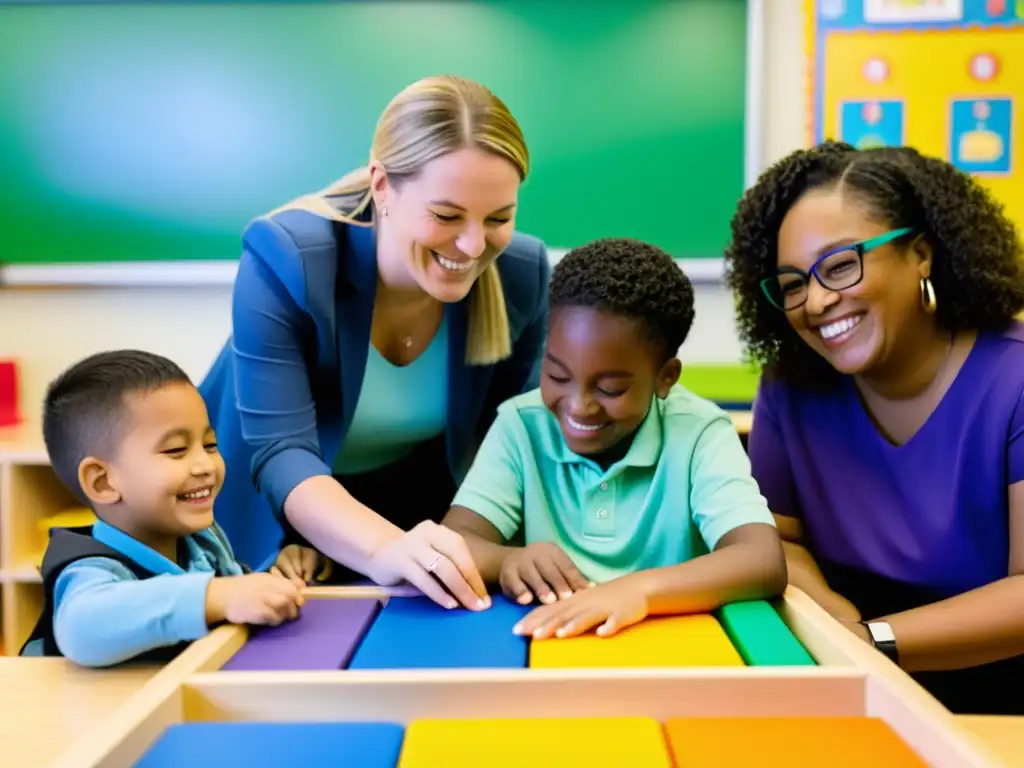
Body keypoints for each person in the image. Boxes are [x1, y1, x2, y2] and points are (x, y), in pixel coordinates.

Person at [199, 75, 549, 612]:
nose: (475, 245)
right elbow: (282, 452)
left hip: (405, 518)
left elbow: (507, 441)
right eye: (446, 215)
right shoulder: (288, 255)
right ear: (382, 186)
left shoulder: (521, 272)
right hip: (266, 520)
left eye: (498, 218)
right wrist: (384, 546)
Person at [723, 140, 1024, 714]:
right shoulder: (791, 386)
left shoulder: (1015, 379)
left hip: (1003, 700)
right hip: (851, 680)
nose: (814, 301)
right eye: (791, 283)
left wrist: (873, 641)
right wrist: (837, 622)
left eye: (840, 265)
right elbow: (776, 539)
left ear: (921, 255)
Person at [441, 238, 786, 639]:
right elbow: (457, 540)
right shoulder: (521, 425)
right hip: (553, 650)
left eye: (610, 389)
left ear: (665, 378)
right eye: (556, 376)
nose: (579, 406)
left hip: (673, 651)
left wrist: (636, 591)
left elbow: (761, 559)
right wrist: (506, 560)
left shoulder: (700, 433)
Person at [20, 350, 309, 667]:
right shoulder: (88, 568)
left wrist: (275, 577)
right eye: (176, 450)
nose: (205, 465)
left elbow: (236, 596)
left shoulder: (202, 542)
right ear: (103, 482)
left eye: (210, 445)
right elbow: (80, 628)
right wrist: (215, 597)